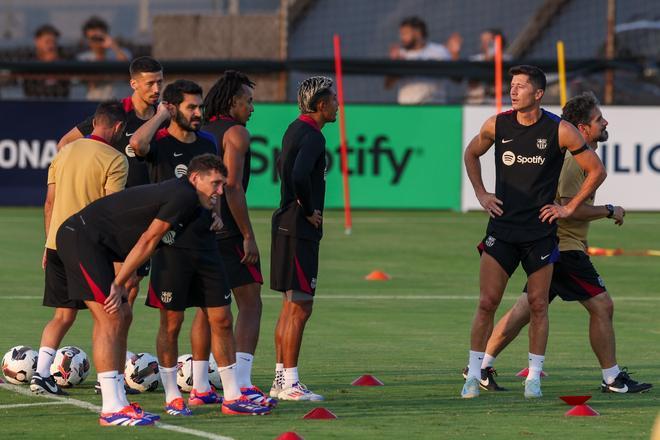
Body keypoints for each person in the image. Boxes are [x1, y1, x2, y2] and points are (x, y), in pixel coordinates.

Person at [466, 92, 652, 394]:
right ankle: (612, 378)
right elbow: (567, 208)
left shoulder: (579, 156)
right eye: (598, 119)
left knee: (524, 310)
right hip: (562, 247)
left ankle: (481, 366)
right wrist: (608, 210)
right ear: (582, 128)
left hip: (554, 244)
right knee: (602, 306)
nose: (605, 122)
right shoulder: (571, 163)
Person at [462, 65, 606, 399]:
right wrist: (482, 194)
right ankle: (472, 375)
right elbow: (471, 153)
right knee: (487, 303)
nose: (513, 91)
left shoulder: (560, 130)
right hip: (502, 228)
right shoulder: (497, 124)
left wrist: (568, 208)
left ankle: (534, 379)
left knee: (539, 305)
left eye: (521, 87)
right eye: (512, 86)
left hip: (539, 234)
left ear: (538, 94)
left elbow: (595, 171)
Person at [130, 80, 271, 416]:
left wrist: (219, 215)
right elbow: (137, 143)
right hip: (171, 248)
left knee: (221, 319)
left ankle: (232, 396)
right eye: (191, 107)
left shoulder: (207, 140)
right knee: (172, 323)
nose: (198, 113)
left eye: (199, 106)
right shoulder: (159, 143)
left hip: (208, 245)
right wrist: (161, 114)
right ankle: (171, 396)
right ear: (173, 108)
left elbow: (219, 184)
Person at [54, 153, 225, 426]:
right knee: (111, 316)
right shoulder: (185, 196)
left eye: (222, 185)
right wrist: (118, 281)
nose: (220, 191)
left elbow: (134, 231)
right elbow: (149, 239)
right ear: (195, 179)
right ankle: (111, 408)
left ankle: (118, 400)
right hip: (81, 238)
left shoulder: (191, 202)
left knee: (120, 315)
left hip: (97, 244)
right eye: (216, 184)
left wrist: (125, 277)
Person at [30, 101, 128, 397]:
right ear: (119, 127)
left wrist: (49, 244)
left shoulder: (64, 152)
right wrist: (117, 264)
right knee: (109, 316)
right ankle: (108, 382)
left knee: (63, 315)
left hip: (57, 243)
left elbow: (49, 203)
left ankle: (41, 374)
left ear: (94, 123)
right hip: (88, 247)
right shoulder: (116, 159)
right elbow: (113, 214)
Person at [58, 56, 163, 306]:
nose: (157, 89)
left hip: (148, 211)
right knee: (119, 283)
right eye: (150, 84)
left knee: (133, 283)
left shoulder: (163, 116)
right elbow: (65, 144)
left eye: (160, 82)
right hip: (116, 213)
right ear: (133, 84)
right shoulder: (117, 112)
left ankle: (119, 344)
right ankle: (111, 342)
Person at [202, 71, 276, 406]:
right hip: (228, 230)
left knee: (207, 309)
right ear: (233, 102)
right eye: (249, 101)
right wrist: (248, 235)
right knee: (250, 302)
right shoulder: (237, 134)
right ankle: (243, 381)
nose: (253, 107)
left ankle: (202, 384)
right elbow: (231, 186)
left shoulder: (203, 131)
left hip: (201, 227)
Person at [268, 76, 338, 401]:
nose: (338, 105)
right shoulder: (312, 136)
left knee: (289, 307)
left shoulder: (294, 129)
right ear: (321, 105)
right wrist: (308, 209)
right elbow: (296, 174)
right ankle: (291, 383)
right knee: (300, 307)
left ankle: (280, 380)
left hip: (285, 224)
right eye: (334, 100)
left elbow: (285, 170)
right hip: (298, 228)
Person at [385, 16, 461, 104]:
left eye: (405, 33)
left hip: (435, 108)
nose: (402, 38)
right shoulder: (400, 54)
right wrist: (395, 64)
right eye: (401, 34)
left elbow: (457, 79)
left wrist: (454, 55)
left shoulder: (439, 51)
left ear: (417, 33)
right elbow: (388, 85)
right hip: (407, 109)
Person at [76, 16, 131, 100]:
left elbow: (129, 70)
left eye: (99, 37)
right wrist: (100, 54)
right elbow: (91, 81)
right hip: (94, 102)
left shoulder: (121, 52)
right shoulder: (83, 58)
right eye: (93, 38)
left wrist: (113, 46)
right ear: (87, 40)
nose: (97, 41)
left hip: (119, 102)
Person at [23, 24, 70, 98]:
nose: (51, 46)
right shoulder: (28, 60)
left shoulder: (64, 60)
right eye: (47, 42)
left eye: (54, 42)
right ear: (37, 42)